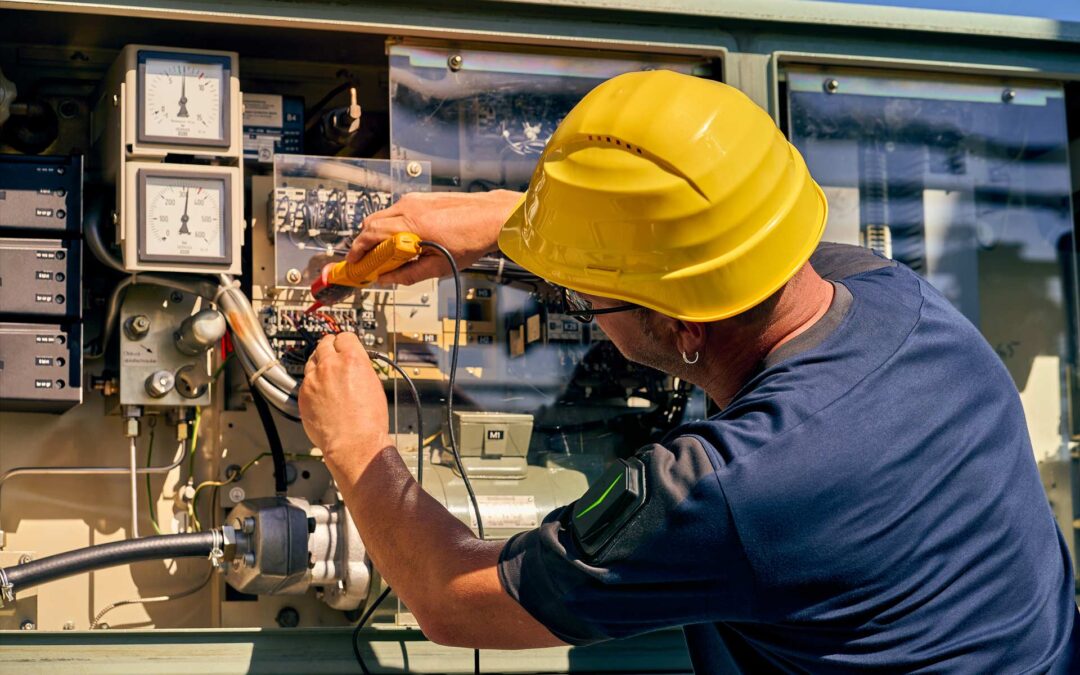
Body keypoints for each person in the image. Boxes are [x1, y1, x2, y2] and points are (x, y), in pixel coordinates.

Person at [298, 70, 1078, 673]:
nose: (576, 304)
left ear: (680, 327)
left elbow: (451, 600)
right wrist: (510, 216)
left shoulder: (732, 487)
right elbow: (709, 244)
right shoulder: (895, 294)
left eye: (584, 297)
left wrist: (359, 448)